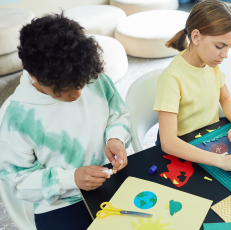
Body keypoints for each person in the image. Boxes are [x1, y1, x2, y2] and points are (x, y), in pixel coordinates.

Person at [0, 12, 132, 230]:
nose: (78, 94)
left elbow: (118, 113)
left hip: (110, 178)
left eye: (81, 84)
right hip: (60, 204)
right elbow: (19, 181)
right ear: (34, 76)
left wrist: (115, 137)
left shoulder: (91, 76)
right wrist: (70, 179)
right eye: (64, 90)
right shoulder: (16, 118)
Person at [153, 0, 231, 172]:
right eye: (220, 46)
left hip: (209, 137)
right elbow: (168, 143)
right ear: (196, 37)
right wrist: (221, 161)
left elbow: (226, 98)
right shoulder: (171, 78)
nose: (226, 54)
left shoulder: (210, 64)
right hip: (183, 148)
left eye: (229, 47)